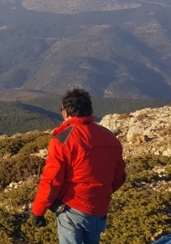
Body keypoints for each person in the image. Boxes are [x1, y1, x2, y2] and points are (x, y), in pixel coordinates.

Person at [30, 88, 126, 244]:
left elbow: (52, 181)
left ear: (66, 112)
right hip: (99, 209)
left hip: (72, 209)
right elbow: (119, 177)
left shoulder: (62, 140)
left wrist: (38, 211)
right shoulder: (110, 138)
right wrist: (99, 193)